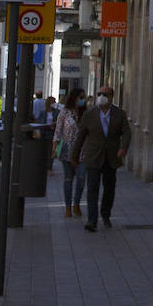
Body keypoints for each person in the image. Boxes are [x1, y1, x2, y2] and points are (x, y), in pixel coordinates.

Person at [71, 85, 130, 233]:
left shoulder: (119, 114)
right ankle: (92, 220)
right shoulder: (89, 115)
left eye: (105, 94)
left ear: (111, 97)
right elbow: (81, 136)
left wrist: (123, 148)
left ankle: (106, 214)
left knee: (109, 188)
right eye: (99, 93)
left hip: (111, 157)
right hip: (93, 157)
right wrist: (74, 155)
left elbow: (127, 133)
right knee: (92, 189)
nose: (102, 96)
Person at [54, 87, 87, 219]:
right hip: (67, 150)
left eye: (83, 98)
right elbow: (58, 130)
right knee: (68, 179)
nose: (82, 100)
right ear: (74, 98)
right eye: (80, 97)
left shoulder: (86, 113)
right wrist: (54, 146)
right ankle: (68, 207)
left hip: (83, 151)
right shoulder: (64, 112)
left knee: (81, 178)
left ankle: (76, 204)